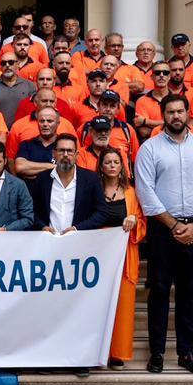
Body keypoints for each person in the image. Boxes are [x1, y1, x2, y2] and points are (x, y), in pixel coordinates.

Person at [133, 93, 193, 375]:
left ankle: (186, 352)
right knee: (158, 291)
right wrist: (173, 226)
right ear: (164, 115)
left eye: (180, 111)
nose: (176, 117)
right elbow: (145, 193)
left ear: (188, 113)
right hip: (162, 230)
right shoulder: (150, 149)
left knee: (188, 293)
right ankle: (156, 352)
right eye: (170, 112)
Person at [76, 148, 146, 368]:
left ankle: (117, 353)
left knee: (122, 305)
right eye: (108, 162)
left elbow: (143, 224)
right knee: (93, 305)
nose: (113, 165)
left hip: (123, 257)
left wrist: (134, 220)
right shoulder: (92, 190)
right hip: (96, 258)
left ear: (122, 166)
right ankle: (92, 352)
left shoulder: (132, 193)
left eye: (117, 161)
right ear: (101, 166)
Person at [29, 135, 100, 232]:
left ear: (76, 155)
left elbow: (101, 211)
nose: (65, 154)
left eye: (70, 151)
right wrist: (42, 227)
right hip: (49, 240)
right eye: (61, 150)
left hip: (80, 240)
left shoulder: (91, 179)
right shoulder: (42, 179)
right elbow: (32, 211)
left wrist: (78, 228)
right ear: (54, 154)